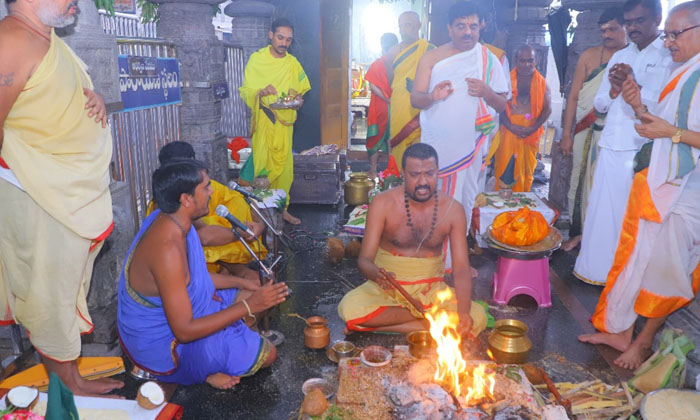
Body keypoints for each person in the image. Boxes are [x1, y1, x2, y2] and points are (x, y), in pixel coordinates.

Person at [0, 0, 124, 396]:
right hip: (38, 193)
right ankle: (66, 385)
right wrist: (29, 173)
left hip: (62, 191)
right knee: (49, 292)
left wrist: (96, 101)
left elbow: (51, 98)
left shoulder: (46, 37)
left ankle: (69, 376)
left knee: (64, 285)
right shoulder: (13, 40)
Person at [579, 1, 700, 370]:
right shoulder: (686, 72)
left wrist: (669, 131)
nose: (669, 42)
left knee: (665, 269)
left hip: (688, 190)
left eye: (676, 34)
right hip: (665, 184)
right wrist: (636, 103)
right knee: (641, 259)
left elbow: (673, 131)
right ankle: (621, 331)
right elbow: (658, 123)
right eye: (668, 35)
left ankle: (643, 343)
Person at [118, 160, 289, 388]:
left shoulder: (172, 220)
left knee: (255, 291)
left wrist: (243, 284)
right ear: (186, 199)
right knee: (268, 354)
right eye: (206, 187)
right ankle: (202, 369)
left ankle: (222, 347)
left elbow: (193, 280)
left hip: (185, 313)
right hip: (165, 344)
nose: (211, 193)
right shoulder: (167, 249)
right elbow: (185, 330)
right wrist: (248, 307)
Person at [338, 143, 487, 336]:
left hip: (432, 292)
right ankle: (432, 323)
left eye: (429, 174)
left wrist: (464, 313)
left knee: (477, 316)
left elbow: (460, 269)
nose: (423, 182)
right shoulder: (383, 203)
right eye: (415, 175)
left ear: (438, 172)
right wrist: (377, 274)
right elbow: (364, 259)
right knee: (349, 308)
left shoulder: (453, 210)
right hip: (388, 292)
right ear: (403, 174)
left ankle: (379, 326)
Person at [574, 0, 673, 286]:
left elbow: (667, 107)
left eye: (639, 21)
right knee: (600, 212)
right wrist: (616, 88)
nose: (633, 28)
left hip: (639, 148)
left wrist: (636, 88)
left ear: (657, 17)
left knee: (627, 216)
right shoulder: (622, 55)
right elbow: (601, 104)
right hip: (611, 143)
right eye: (629, 22)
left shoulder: (669, 57)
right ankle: (594, 271)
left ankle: (623, 277)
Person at [410, 0, 508, 271]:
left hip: (472, 146)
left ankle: (454, 261)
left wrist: (486, 92)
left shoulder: (488, 58)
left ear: (481, 27)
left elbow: (501, 104)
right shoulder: (432, 58)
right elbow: (416, 98)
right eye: (461, 26)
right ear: (449, 28)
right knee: (434, 200)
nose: (468, 32)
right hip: (439, 146)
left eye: (473, 26)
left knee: (464, 201)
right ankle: (431, 259)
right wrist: (433, 96)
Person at [560, 8, 628, 251]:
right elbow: (573, 98)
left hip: (618, 135)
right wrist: (566, 134)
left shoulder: (632, 57)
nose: (606, 34)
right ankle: (578, 233)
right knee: (578, 178)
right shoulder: (589, 56)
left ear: (625, 27)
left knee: (605, 183)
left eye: (612, 29)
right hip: (584, 129)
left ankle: (602, 237)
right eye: (603, 31)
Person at [148, 142, 266, 279]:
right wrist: (240, 233)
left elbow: (240, 201)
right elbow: (204, 237)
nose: (210, 191)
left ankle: (232, 269)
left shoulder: (182, 204)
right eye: (206, 188)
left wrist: (258, 226)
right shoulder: (166, 227)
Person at [239, 18, 310, 225]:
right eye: (280, 38)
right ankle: (262, 212)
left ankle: (283, 208)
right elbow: (246, 90)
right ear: (270, 35)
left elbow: (299, 92)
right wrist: (260, 92)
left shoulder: (292, 63)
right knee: (264, 166)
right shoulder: (256, 60)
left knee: (285, 169)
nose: (284, 43)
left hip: (284, 124)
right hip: (264, 123)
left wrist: (297, 100)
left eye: (288, 40)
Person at [494, 45, 552, 193]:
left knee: (526, 173)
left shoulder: (542, 83)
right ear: (516, 61)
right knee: (505, 170)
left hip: (530, 133)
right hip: (508, 132)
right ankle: (502, 208)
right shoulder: (505, 80)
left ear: (536, 60)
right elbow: (498, 106)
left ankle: (520, 207)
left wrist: (532, 128)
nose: (527, 64)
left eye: (530, 61)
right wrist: (510, 126)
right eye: (522, 61)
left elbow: (547, 109)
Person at [385, 11, 433, 170]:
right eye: (400, 26)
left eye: (408, 25)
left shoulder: (430, 50)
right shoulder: (392, 52)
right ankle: (397, 184)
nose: (403, 30)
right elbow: (391, 80)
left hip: (421, 112)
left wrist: (421, 87)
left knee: (420, 155)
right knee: (398, 151)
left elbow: (439, 79)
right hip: (400, 108)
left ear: (419, 25)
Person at [365, 33, 398, 179]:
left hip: (380, 107)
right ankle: (392, 171)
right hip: (394, 105)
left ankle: (372, 171)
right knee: (393, 139)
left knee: (374, 139)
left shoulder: (378, 63)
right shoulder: (398, 63)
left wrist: (385, 98)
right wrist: (390, 99)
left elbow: (372, 86)